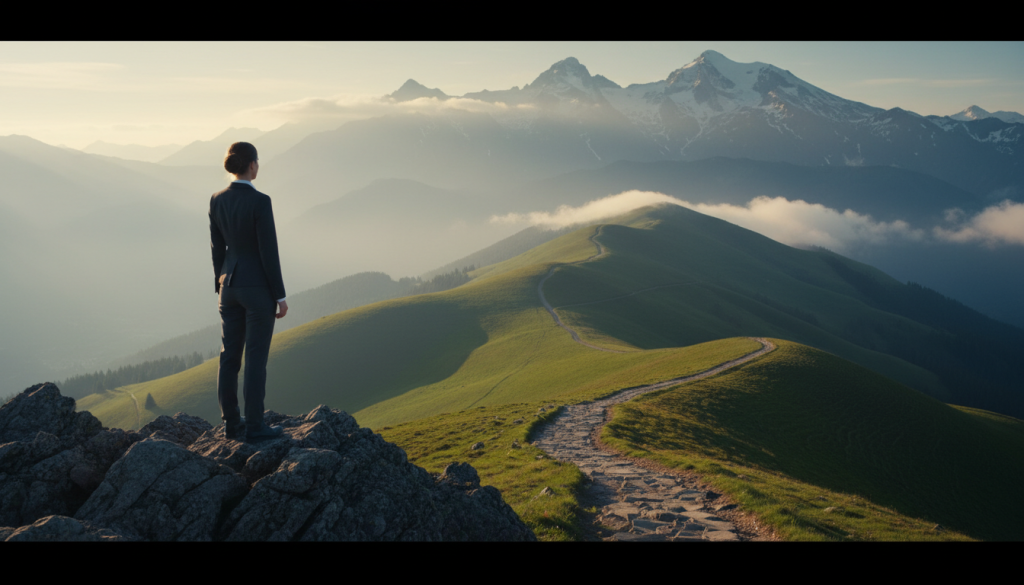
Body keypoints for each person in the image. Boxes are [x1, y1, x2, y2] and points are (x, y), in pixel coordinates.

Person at [209, 142, 288, 442]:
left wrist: (220, 283)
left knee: (228, 357)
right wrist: (279, 296)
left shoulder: (216, 199)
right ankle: (255, 427)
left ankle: (231, 425)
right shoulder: (260, 201)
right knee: (255, 358)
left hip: (227, 287)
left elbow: (218, 248)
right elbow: (269, 252)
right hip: (257, 290)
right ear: (252, 164)